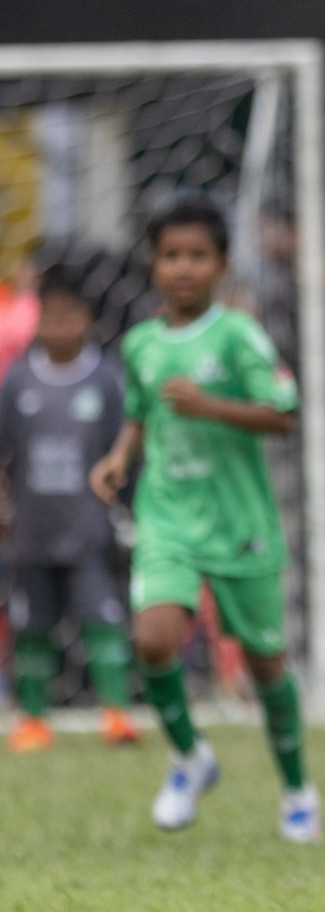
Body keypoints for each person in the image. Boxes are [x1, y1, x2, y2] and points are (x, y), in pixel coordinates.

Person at [88, 198, 319, 841]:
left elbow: (284, 414)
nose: (182, 268)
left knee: (265, 664)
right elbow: (141, 415)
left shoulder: (239, 335)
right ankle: (190, 755)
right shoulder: (138, 343)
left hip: (240, 521)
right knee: (154, 638)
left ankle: (298, 789)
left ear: (221, 264)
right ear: (153, 264)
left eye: (197, 256)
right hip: (167, 517)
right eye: (170, 255)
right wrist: (117, 457)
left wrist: (210, 405)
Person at [1, 265, 136, 752]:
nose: (57, 326)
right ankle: (33, 718)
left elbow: (125, 447)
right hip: (34, 530)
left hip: (88, 529)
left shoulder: (105, 380)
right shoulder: (18, 382)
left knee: (102, 620)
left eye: (68, 317)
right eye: (48, 316)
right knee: (32, 626)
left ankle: (117, 713)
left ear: (88, 320)